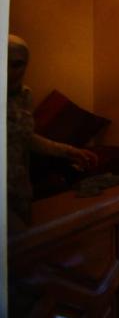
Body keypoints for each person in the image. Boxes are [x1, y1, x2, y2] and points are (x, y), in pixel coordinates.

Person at [7, 35, 98, 231]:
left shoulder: (24, 95)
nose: (9, 72)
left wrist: (70, 152)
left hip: (20, 189)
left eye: (17, 65)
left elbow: (24, 138)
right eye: (3, 62)